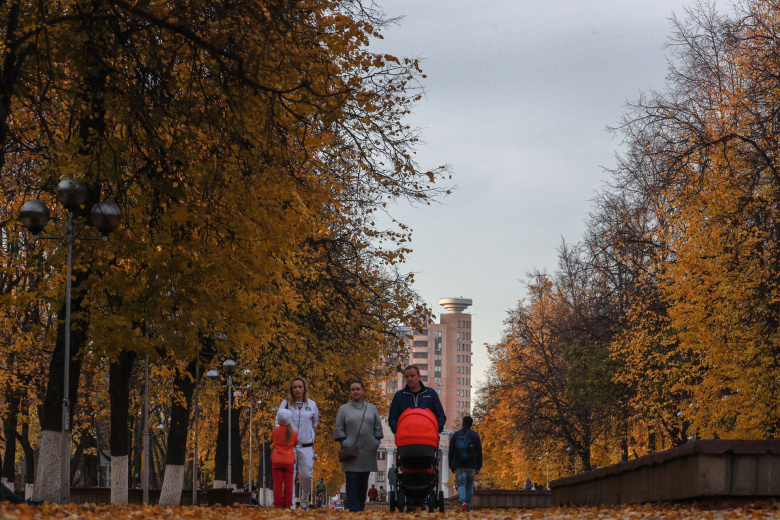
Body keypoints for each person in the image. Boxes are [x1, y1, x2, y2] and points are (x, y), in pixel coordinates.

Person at [334, 379, 383, 512]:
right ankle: (354, 507)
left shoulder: (372, 409)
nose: (355, 392)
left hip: (368, 450)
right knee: (352, 478)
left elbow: (378, 427)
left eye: (358, 389)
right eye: (352, 389)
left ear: (363, 391)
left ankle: (361, 506)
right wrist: (344, 442)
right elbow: (339, 428)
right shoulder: (344, 409)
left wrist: (376, 441)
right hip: (351, 450)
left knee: (363, 479)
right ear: (350, 392)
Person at [277, 376, 319, 510]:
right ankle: (291, 504)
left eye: (300, 387)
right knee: (290, 475)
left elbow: (315, 424)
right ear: (291, 389)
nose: (297, 389)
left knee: (306, 475)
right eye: (295, 387)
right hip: (289, 446)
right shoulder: (285, 404)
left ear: (304, 388)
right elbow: (278, 422)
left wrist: (309, 436)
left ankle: (305, 498)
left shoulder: (312, 405)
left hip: (306, 446)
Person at [388, 365, 446, 434]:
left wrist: (436, 430)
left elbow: (440, 416)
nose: (409, 379)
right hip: (406, 436)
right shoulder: (399, 395)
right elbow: (393, 418)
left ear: (419, 376)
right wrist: (398, 431)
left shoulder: (430, 393)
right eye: (407, 377)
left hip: (428, 436)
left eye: (412, 376)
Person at [448, 415, 482, 512]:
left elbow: (451, 452)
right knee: (469, 485)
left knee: (461, 484)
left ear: (462, 423)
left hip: (459, 465)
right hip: (472, 465)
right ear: (471, 424)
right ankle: (468, 507)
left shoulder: (456, 435)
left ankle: (463, 502)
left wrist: (451, 465)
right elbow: (479, 452)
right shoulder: (475, 436)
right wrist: (479, 466)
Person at [271, 408, 298, 509]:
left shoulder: (274, 431)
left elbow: (273, 440)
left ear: (278, 420)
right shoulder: (293, 433)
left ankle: (277, 504)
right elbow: (295, 443)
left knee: (277, 484)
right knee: (289, 484)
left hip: (277, 460)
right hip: (289, 461)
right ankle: (287, 505)